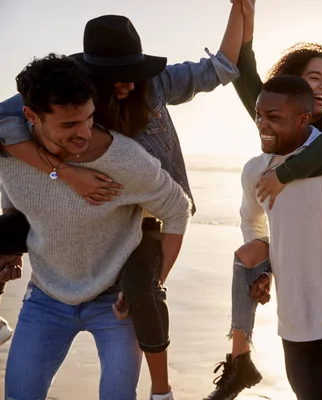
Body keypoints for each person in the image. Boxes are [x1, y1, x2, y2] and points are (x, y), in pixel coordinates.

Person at [0, 4, 245, 398]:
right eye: (117, 76)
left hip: (144, 217)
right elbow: (7, 128)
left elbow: (218, 69)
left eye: (134, 72)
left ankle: (161, 389)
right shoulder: (51, 107)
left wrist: (241, 9)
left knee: (141, 288)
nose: (129, 83)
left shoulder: (151, 92)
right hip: (56, 259)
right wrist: (65, 172)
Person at [205, 4, 322, 400]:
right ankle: (239, 356)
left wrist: (284, 175)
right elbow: (244, 71)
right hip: (304, 288)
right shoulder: (280, 117)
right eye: (314, 78)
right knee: (248, 249)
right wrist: (245, 13)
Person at [1, 54, 191, 400]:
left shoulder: (125, 160)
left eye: (89, 118)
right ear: (30, 116)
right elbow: (16, 203)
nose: (85, 132)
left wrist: (152, 282)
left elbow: (178, 209)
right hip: (46, 296)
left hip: (113, 300)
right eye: (69, 125)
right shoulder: (11, 157)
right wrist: (9, 251)